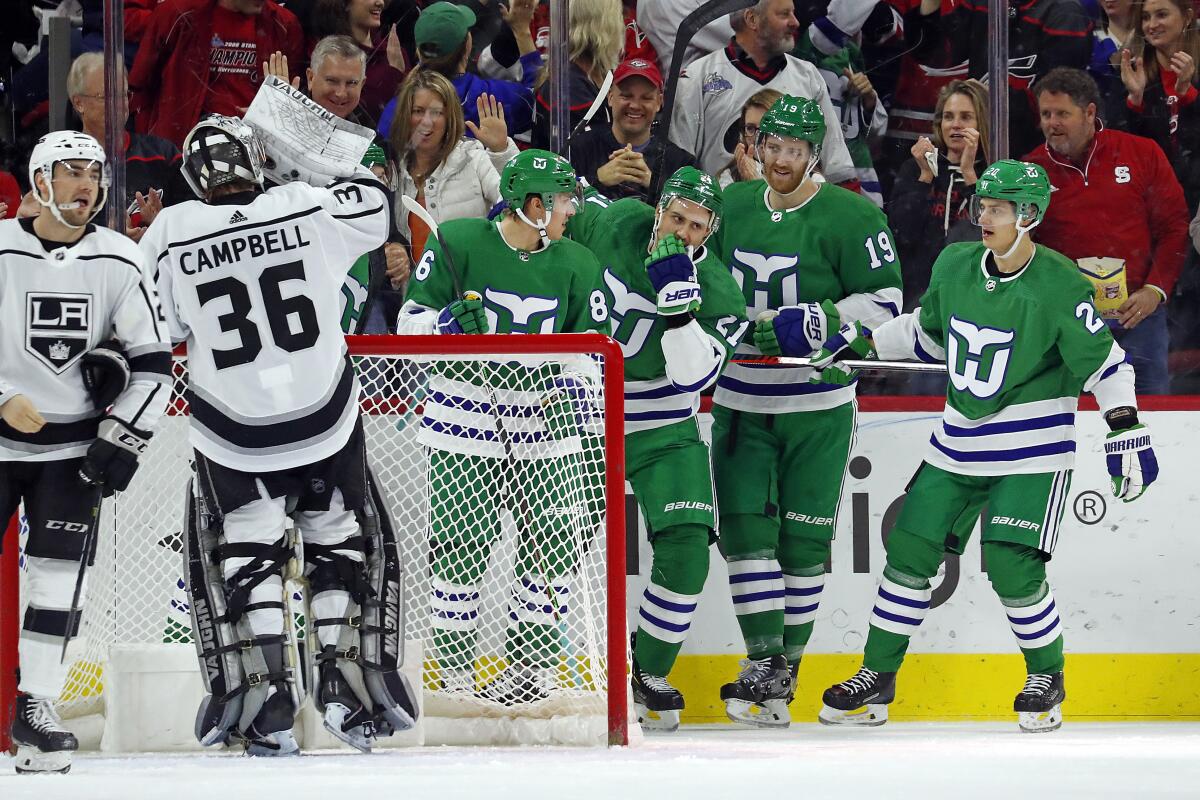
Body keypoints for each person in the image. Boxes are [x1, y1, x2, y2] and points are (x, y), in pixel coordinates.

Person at [816, 159, 1158, 732]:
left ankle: (1047, 676)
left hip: (1031, 450)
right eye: (983, 205)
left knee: (1012, 566)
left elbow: (1107, 365)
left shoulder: (1061, 284)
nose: (984, 216)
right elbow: (925, 331)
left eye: (998, 208)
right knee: (907, 550)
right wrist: (858, 345)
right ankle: (877, 676)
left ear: (1030, 214)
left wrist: (1124, 428)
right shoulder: (955, 264)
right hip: (956, 444)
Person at [145, 114, 416, 755]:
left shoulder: (169, 231)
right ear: (257, 162)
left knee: (248, 548)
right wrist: (304, 162)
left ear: (191, 178)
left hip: (231, 424)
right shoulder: (301, 206)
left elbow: (159, 333)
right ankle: (341, 686)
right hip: (323, 410)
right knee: (337, 539)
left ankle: (267, 697)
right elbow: (379, 205)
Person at [708, 95, 902, 727]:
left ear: (814, 153)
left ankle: (781, 669)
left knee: (801, 542)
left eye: (795, 150)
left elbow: (886, 303)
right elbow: (687, 273)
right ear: (755, 147)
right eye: (772, 147)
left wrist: (810, 324)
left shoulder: (851, 216)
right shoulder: (728, 205)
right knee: (743, 535)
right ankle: (765, 661)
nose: (781, 160)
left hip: (818, 403)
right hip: (740, 394)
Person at [396, 150, 610, 704]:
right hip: (462, 419)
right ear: (534, 205)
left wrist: (575, 400)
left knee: (549, 558)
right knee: (459, 559)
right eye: (563, 201)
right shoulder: (460, 242)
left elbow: (594, 356)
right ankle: (459, 683)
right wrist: (444, 326)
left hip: (547, 423)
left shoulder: (579, 264)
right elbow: (405, 328)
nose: (570, 211)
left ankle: (527, 679)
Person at [2, 131, 171, 774]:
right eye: (70, 173)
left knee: (56, 581)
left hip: (71, 445)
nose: (85, 186)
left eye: (94, 174)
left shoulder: (119, 258)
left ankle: (37, 707)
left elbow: (154, 367)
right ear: (40, 181)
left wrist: (121, 436)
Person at [564, 167, 747, 730]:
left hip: (664, 424)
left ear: (710, 232)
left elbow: (694, 379)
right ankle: (544, 668)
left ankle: (647, 671)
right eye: (677, 218)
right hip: (581, 411)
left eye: (698, 226)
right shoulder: (619, 220)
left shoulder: (720, 291)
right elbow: (561, 214)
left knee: (688, 551)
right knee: (554, 549)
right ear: (660, 209)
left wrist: (679, 309)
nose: (684, 233)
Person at [1024, 67, 1189, 395]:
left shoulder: (1141, 154)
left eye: (1062, 114)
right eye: (1046, 114)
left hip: (1139, 317)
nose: (1052, 123)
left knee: (1150, 416)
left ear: (1089, 113)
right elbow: (1022, 247)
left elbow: (1173, 227)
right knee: (1069, 418)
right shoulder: (1031, 172)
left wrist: (1154, 290)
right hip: (1067, 322)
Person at [265, 37, 408, 332]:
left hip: (357, 287)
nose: (341, 93)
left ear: (363, 82)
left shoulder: (374, 143)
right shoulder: (269, 130)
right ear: (310, 77)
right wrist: (277, 120)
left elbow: (387, 221)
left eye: (351, 83)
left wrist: (398, 247)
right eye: (332, 80)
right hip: (287, 279)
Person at [670, 0, 859, 190]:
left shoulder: (807, 76)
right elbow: (678, 171)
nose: (795, 22)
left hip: (794, 214)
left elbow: (838, 168)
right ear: (752, 19)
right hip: (722, 212)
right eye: (784, 14)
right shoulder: (698, 77)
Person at [915, 0, 1094, 158]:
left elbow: (1059, 97)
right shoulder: (982, 4)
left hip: (1036, 153)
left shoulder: (1065, 13)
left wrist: (988, 98)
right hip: (983, 147)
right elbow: (933, 55)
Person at [386, 69, 519, 272]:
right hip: (418, 297)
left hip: (474, 292)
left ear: (450, 117)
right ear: (406, 114)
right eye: (418, 111)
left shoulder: (473, 158)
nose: (426, 121)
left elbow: (518, 198)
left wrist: (501, 151)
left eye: (437, 112)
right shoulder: (394, 167)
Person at [129, 0, 305, 147]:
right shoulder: (175, 14)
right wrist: (158, 146)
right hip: (182, 149)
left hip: (253, 151)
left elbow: (293, 102)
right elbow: (140, 88)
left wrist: (272, 111)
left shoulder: (284, 24)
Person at [888, 79, 990, 311]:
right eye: (948, 116)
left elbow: (989, 233)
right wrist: (925, 177)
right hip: (916, 294)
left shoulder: (993, 173)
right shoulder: (915, 168)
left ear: (982, 123)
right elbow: (901, 235)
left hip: (973, 294)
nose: (955, 125)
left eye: (965, 117)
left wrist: (969, 174)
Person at [67, 52, 189, 242]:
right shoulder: (62, 164)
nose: (120, 104)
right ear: (79, 103)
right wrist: (109, 238)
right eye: (106, 95)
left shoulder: (163, 155)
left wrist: (162, 225)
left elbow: (192, 221)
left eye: (123, 94)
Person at [378, 1, 540, 139]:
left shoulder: (397, 108)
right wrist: (521, 30)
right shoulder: (492, 98)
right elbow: (539, 101)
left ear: (419, 51)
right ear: (467, 46)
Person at [792, 0, 891, 207]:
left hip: (860, 180)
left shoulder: (854, 62)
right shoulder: (801, 57)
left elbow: (875, 136)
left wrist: (869, 100)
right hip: (814, 174)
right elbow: (834, 26)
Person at [569, 58, 698, 204]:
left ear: (659, 103)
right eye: (626, 96)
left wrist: (655, 184)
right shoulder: (577, 150)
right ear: (610, 97)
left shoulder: (681, 164)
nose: (635, 105)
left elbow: (693, 214)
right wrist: (597, 179)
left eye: (646, 98)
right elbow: (554, 203)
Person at [1119, 0, 1200, 214]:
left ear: (1188, 17)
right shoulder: (1132, 69)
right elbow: (1122, 149)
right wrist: (1134, 101)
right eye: (1145, 17)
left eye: (1161, 14)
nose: (1151, 25)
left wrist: (1188, 95)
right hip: (1152, 200)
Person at [531, 0, 624, 150]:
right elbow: (586, 161)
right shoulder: (569, 89)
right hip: (573, 172)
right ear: (606, 25)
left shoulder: (585, 73)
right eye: (618, 16)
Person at [307, 0, 405, 127]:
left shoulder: (394, 53)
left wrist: (397, 77)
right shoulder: (321, 50)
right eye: (332, 80)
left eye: (352, 83)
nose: (380, 2)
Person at [715, 89, 781, 187]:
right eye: (750, 128)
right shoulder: (729, 178)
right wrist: (752, 182)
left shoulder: (806, 174)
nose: (759, 137)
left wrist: (755, 180)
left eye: (768, 127)